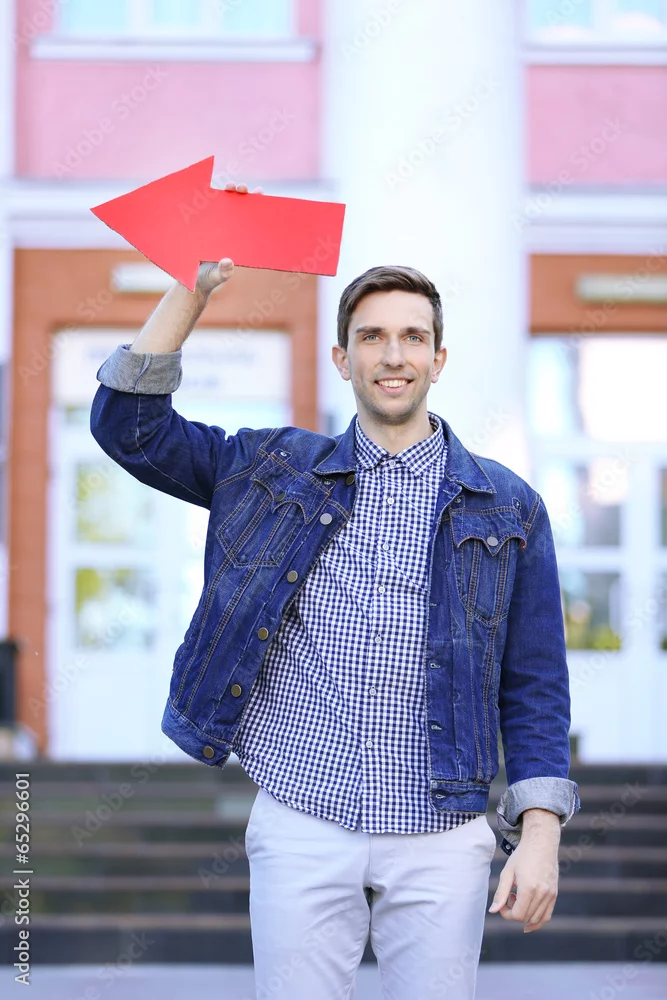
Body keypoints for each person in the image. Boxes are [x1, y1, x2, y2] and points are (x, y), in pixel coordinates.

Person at [91, 181, 581, 1000]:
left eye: (412, 337)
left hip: (441, 827)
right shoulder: (270, 470)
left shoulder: (507, 506)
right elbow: (129, 429)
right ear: (341, 358)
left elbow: (534, 684)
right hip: (302, 814)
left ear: (438, 359)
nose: (393, 356)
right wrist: (190, 292)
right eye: (371, 337)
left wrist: (539, 835)